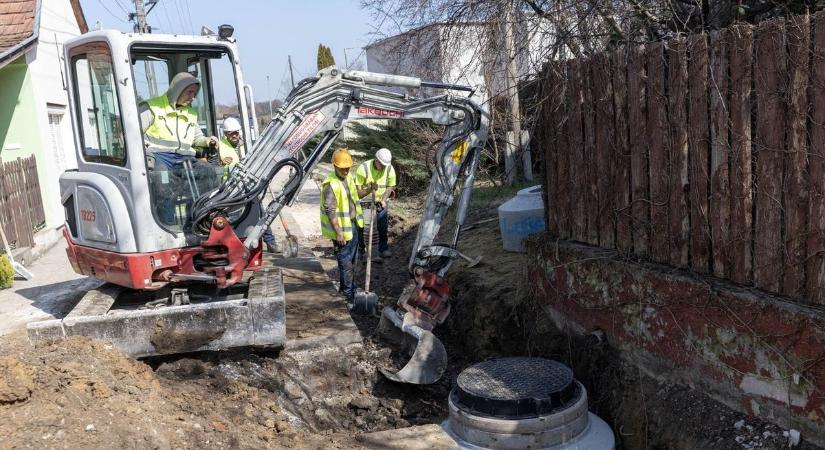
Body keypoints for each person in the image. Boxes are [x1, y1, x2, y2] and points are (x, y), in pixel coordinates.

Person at [207, 116, 280, 253]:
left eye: (236, 132)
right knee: (236, 218)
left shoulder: (245, 145)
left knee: (261, 212)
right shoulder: (220, 147)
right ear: (225, 134)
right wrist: (222, 164)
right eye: (231, 133)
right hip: (231, 189)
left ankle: (270, 242)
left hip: (249, 186)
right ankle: (238, 245)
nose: (234, 135)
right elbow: (212, 167)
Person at [321, 148, 375, 303]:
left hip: (354, 226)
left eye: (347, 167)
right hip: (341, 230)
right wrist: (338, 233)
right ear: (334, 166)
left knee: (353, 261)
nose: (345, 170)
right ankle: (348, 295)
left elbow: (356, 195)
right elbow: (330, 210)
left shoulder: (349, 177)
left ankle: (347, 288)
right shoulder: (330, 185)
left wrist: (369, 189)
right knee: (345, 263)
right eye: (342, 168)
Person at [139, 72, 219, 170]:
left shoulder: (191, 113)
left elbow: (197, 138)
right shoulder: (152, 107)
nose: (193, 97)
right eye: (189, 92)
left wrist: (207, 141)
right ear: (178, 90)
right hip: (159, 157)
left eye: (195, 93)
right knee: (162, 176)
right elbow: (133, 134)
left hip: (186, 158)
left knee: (209, 172)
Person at [355, 147, 396, 259]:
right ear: (376, 160)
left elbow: (390, 186)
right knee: (362, 227)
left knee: (382, 225)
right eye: (381, 164)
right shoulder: (363, 169)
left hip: (380, 201)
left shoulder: (389, 168)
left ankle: (383, 248)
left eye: (385, 165)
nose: (383, 167)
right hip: (365, 202)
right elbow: (358, 193)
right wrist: (369, 189)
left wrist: (383, 199)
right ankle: (361, 250)